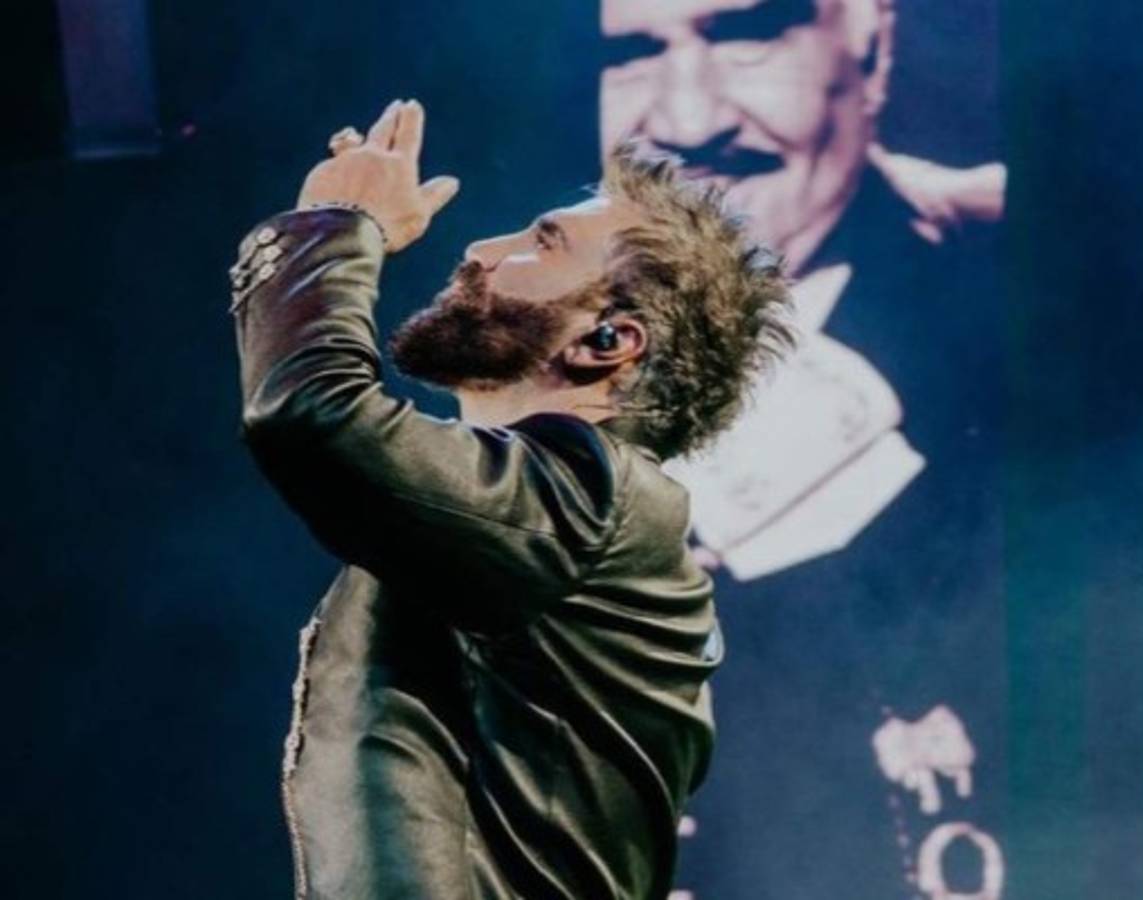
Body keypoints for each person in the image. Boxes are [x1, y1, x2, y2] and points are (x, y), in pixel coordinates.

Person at [228, 98, 793, 899]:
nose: (480, 250)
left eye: (542, 241)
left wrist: (338, 222)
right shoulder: (542, 516)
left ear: (607, 340)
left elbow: (314, 416)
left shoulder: (589, 497)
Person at [598, 2, 1009, 896]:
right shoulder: (490, 366)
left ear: (869, 41)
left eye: (747, 36)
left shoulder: (1049, 317)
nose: (688, 119)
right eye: (626, 55)